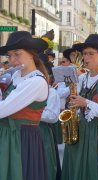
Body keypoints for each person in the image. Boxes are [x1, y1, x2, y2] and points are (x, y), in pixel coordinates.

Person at [61, 34, 98, 180]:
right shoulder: (81, 78)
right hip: (80, 131)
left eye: (91, 54)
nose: (86, 58)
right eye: (84, 54)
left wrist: (86, 103)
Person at [0, 31, 49, 180]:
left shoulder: (36, 81)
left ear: (31, 54)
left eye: (17, 54)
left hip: (22, 140)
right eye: (9, 55)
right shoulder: (16, 76)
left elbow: (2, 110)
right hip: (8, 136)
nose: (12, 60)